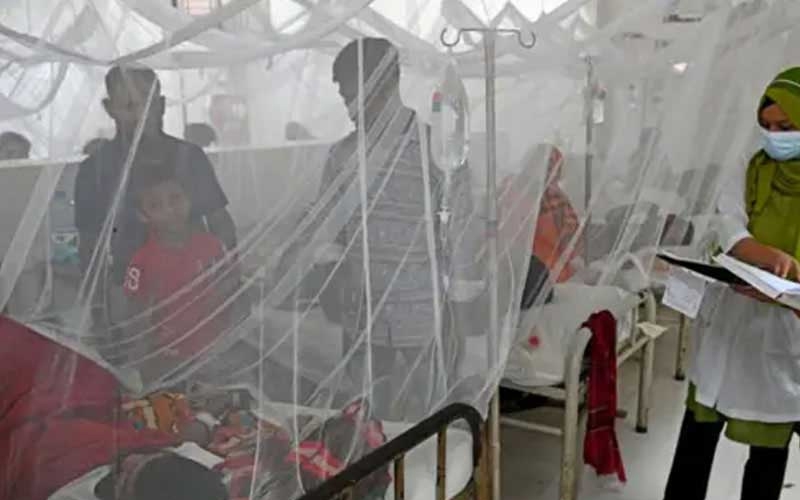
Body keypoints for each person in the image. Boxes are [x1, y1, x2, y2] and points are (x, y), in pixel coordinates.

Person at [289, 38, 473, 418]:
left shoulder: (435, 146)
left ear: (390, 82)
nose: (352, 110)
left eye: (358, 96)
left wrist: (457, 301)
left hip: (424, 308)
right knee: (367, 413)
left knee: (433, 410)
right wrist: (330, 276)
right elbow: (330, 227)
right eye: (346, 99)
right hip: (364, 307)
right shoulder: (343, 154)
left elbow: (461, 224)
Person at [663, 67, 800, 500]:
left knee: (767, 452)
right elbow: (728, 224)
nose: (774, 137)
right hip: (731, 317)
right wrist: (766, 257)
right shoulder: (750, 166)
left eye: (786, 127)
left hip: (786, 333)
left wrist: (785, 287)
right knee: (697, 433)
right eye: (766, 126)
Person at [0, 315, 228, 500]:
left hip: (26, 442)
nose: (128, 462)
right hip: (75, 406)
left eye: (124, 479)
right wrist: (205, 423)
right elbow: (188, 443)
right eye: (144, 459)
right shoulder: (194, 479)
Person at [74, 66, 236, 326]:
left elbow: (221, 223)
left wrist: (230, 280)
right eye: (129, 106)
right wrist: (99, 311)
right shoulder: (95, 170)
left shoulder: (189, 157)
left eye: (148, 104)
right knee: (140, 345)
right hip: (131, 288)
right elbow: (90, 247)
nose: (141, 115)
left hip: (196, 286)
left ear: (160, 105)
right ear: (109, 108)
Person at [122, 167, 238, 377]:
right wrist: (146, 356)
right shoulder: (141, 262)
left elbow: (230, 287)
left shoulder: (212, 246)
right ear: (143, 215)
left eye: (175, 198)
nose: (169, 210)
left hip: (212, 351)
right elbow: (136, 316)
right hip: (166, 358)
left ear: (189, 199)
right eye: (156, 205)